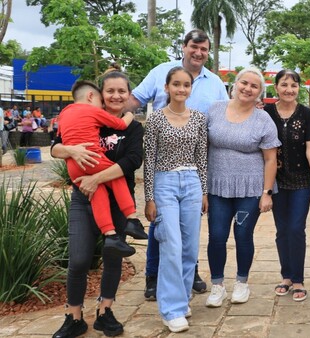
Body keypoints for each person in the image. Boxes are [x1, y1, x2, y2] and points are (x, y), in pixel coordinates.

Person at [128, 29, 229, 299]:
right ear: (184, 47)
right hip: (163, 168)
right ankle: (153, 275)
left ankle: (190, 272)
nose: (198, 53)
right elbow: (134, 101)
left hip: (196, 166)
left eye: (204, 49)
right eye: (194, 46)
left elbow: (226, 116)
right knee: (161, 225)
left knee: (189, 228)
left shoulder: (216, 83)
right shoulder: (160, 72)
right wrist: (102, 115)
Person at [51, 65, 144, 338]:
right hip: (83, 199)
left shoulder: (133, 128)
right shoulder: (85, 116)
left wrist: (97, 178)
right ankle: (74, 316)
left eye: (121, 91)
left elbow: (132, 162)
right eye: (110, 91)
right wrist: (69, 150)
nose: (116, 96)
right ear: (100, 95)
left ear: (128, 95)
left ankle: (105, 311)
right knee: (79, 259)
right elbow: (56, 146)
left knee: (113, 257)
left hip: (116, 198)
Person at [204, 67, 280, 307]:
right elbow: (202, 148)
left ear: (260, 93)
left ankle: (241, 283)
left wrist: (266, 193)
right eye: (244, 83)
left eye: (254, 86)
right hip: (217, 186)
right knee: (216, 236)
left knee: (242, 234)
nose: (247, 88)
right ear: (235, 85)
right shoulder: (214, 110)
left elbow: (270, 159)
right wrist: (202, 188)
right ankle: (217, 286)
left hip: (251, 187)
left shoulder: (263, 119)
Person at [143, 66, 208, 332]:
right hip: (164, 182)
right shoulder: (156, 119)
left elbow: (202, 157)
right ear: (167, 87)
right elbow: (149, 159)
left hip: (192, 182)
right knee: (171, 244)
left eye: (186, 85)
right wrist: (149, 197)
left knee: (190, 248)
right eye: (176, 84)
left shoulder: (199, 119)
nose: (181, 89)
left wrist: (204, 191)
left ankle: (181, 298)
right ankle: (171, 309)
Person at [58, 80, 147, 257]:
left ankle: (110, 235)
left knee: (98, 192)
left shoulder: (64, 113)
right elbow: (121, 125)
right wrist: (130, 114)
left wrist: (70, 151)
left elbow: (60, 138)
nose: (115, 96)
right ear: (92, 97)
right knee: (116, 177)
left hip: (75, 169)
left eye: (121, 91)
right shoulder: (93, 111)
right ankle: (132, 219)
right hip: (92, 159)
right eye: (106, 94)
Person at [264, 70, 310, 302]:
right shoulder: (267, 113)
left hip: (302, 181)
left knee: (296, 228)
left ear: (300, 88)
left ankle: (298, 279)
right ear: (276, 87)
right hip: (275, 180)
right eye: (284, 85)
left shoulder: (307, 114)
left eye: (294, 85)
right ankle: (286, 276)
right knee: (282, 229)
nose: (289, 89)